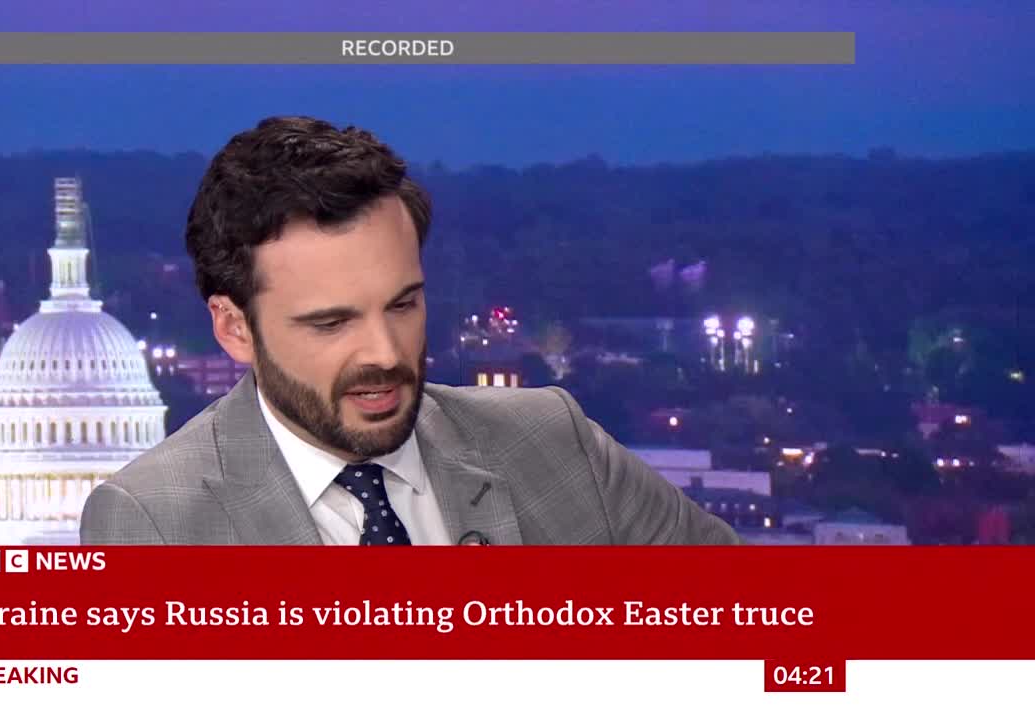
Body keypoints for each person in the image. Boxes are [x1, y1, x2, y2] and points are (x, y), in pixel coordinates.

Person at [80, 116, 739, 546]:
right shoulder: (156, 523)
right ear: (234, 328)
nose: (385, 354)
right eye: (331, 321)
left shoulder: (555, 443)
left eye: (402, 305)